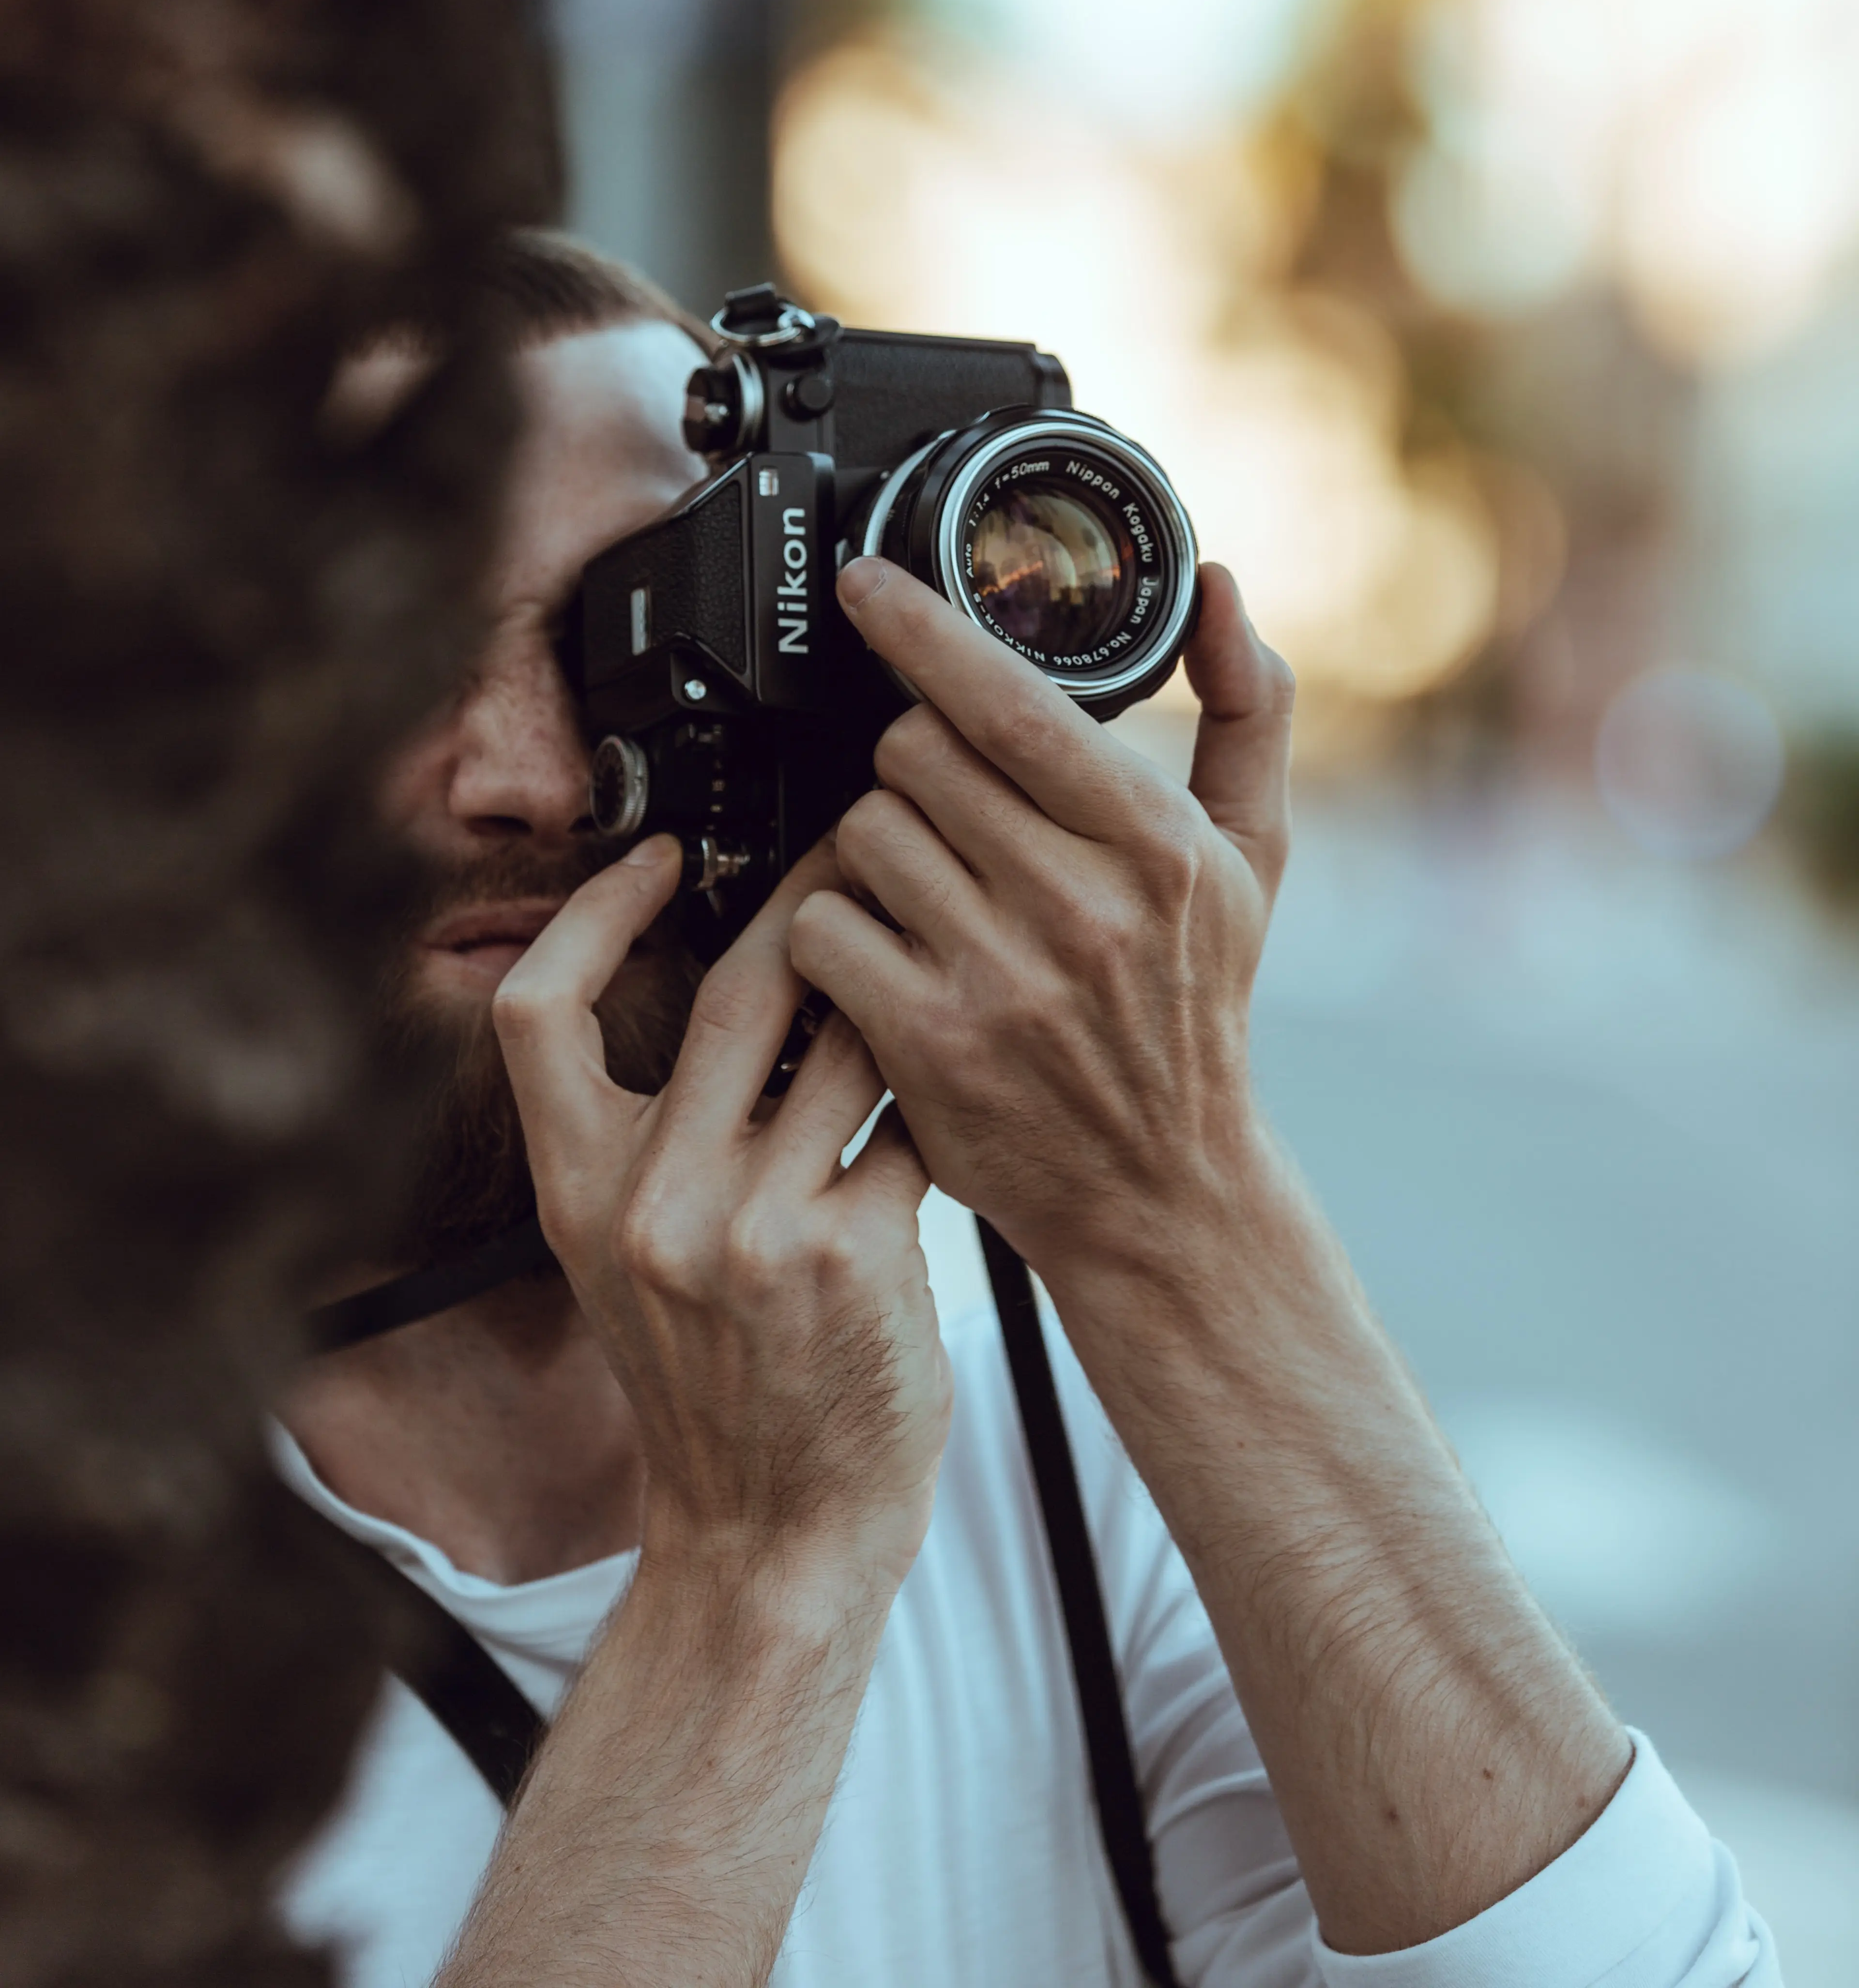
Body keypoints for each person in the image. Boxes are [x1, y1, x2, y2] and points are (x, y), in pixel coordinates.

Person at [279, 232, 1775, 1988]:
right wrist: (757, 1570)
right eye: (386, 650)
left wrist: (1178, 1210)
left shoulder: (1080, 1422)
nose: (528, 777)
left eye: (635, 641)